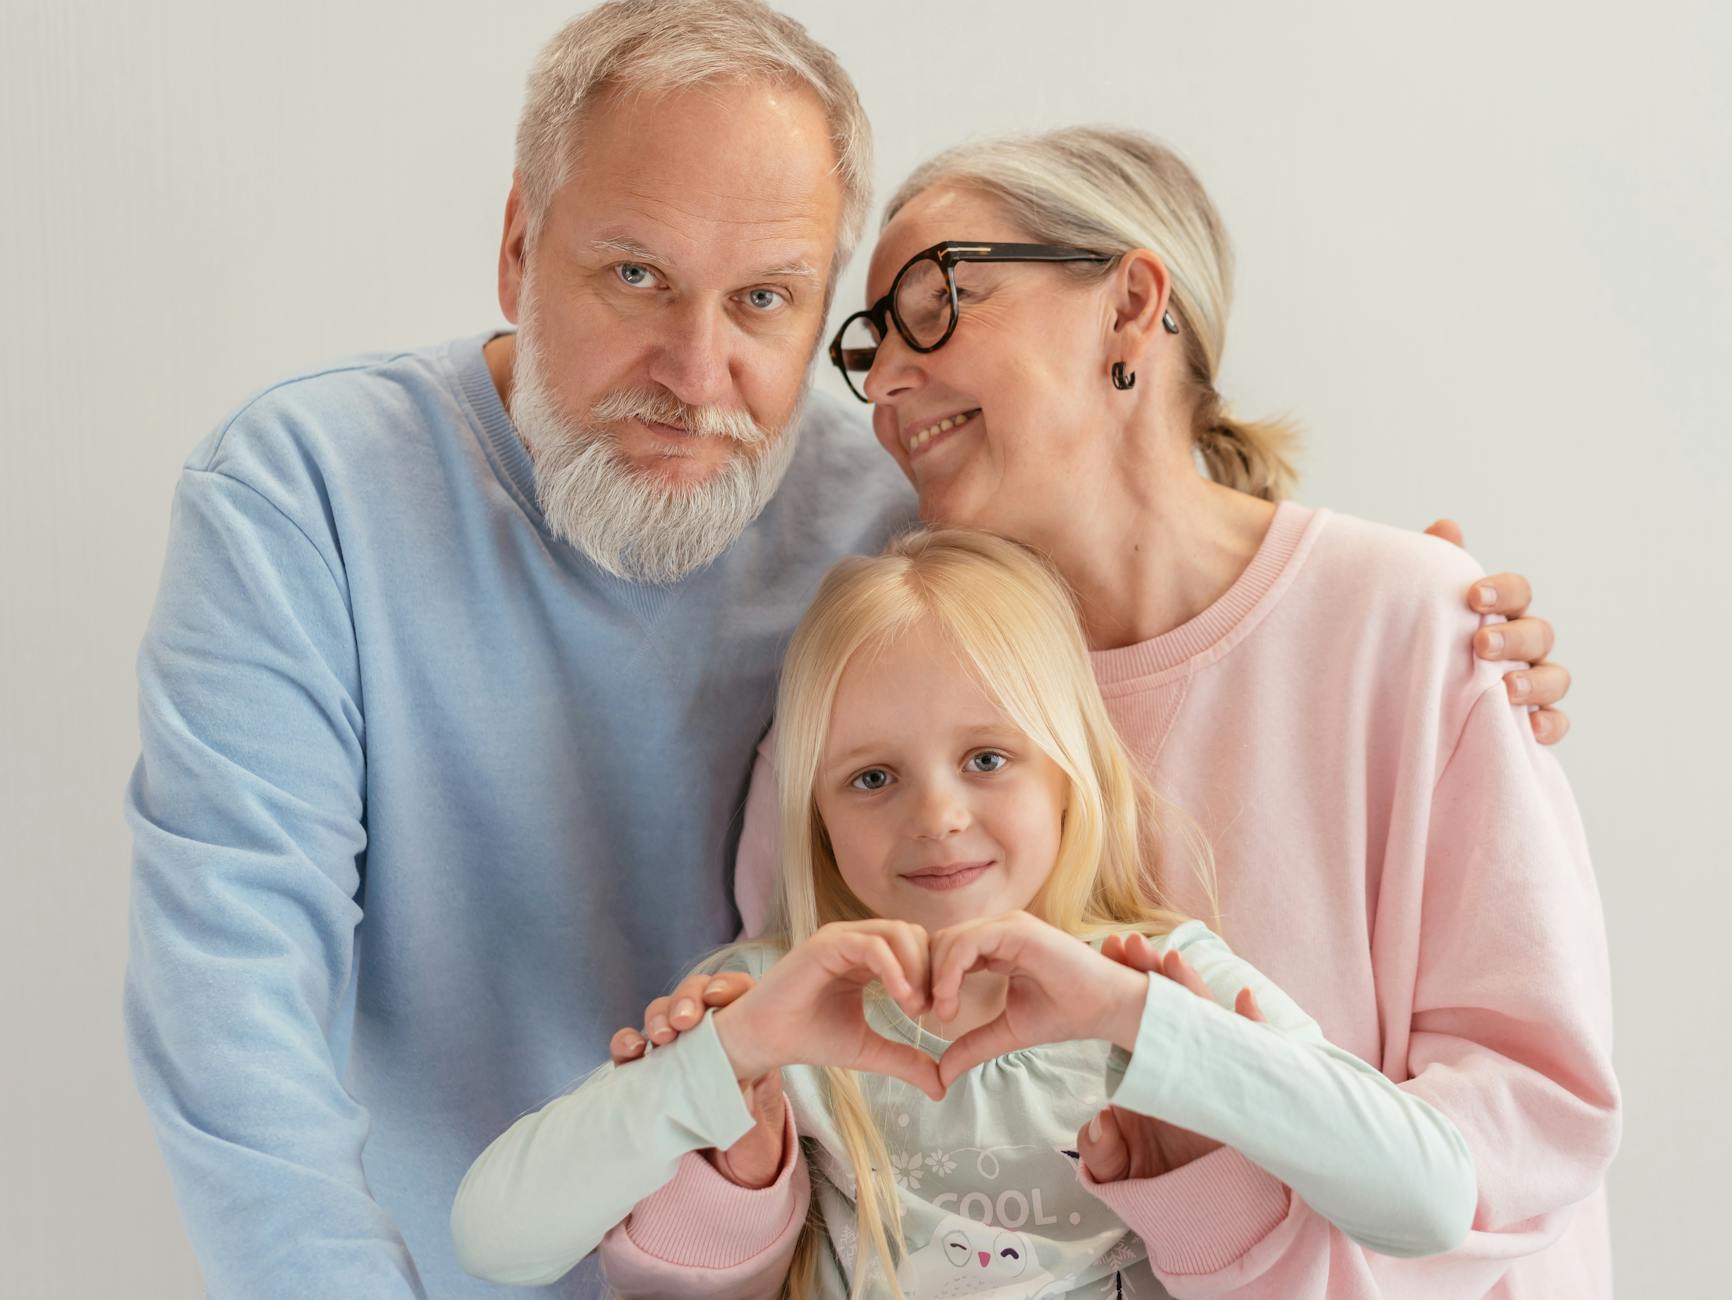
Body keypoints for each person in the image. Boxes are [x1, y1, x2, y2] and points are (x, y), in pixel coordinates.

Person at [122, 3, 1572, 1296]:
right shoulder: (302, 498)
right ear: (518, 245)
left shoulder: (888, 513)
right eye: (633, 275)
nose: (699, 375)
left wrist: (1427, 620)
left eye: (767, 301)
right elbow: (232, 1022)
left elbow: (1136, 592)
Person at [623, 125, 1618, 1300]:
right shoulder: (861, 707)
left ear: (1132, 305)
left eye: (938, 301)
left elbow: (1529, 1115)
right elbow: (814, 1166)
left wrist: (1247, 1232)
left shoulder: (1416, 623)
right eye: (872, 340)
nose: (886, 381)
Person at [452, 527, 1481, 1299]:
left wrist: (1148, 1026)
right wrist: (722, 1061)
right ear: (813, 809)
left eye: (988, 758)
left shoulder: (1161, 981)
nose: (937, 816)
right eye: (871, 777)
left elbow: (1430, 1202)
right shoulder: (772, 1003)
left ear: (1070, 776)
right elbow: (498, 1238)